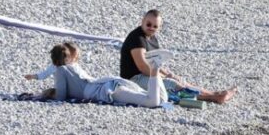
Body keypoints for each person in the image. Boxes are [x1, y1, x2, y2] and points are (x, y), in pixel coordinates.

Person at [120, 9, 237, 104]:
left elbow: (155, 63)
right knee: (172, 84)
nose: (151, 28)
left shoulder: (153, 39)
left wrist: (168, 74)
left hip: (146, 75)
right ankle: (212, 97)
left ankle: (214, 93)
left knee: (180, 81)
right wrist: (162, 77)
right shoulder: (137, 38)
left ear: (159, 27)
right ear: (142, 21)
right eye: (149, 24)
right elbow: (142, 66)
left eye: (155, 26)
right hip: (134, 79)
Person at [25, 42, 166, 107]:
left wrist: (50, 93)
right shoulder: (74, 66)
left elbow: (61, 96)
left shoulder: (61, 70)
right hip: (108, 82)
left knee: (151, 102)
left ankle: (154, 66)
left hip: (104, 91)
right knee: (161, 99)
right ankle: (156, 69)